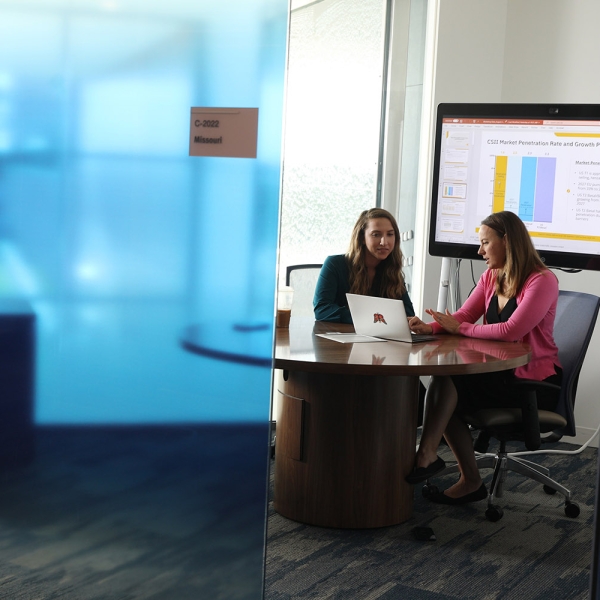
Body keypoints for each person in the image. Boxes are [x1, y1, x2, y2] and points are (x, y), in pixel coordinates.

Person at [405, 211, 562, 505]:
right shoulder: (491, 276)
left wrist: (459, 328)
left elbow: (511, 330)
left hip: (532, 383)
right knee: (445, 384)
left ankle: (441, 464)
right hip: (499, 375)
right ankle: (447, 467)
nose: (480, 251)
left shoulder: (542, 280)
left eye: (485, 243)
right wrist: (431, 328)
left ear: (507, 241)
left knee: (448, 388)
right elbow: (464, 315)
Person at [313, 208, 415, 322]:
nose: (384, 242)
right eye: (376, 234)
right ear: (362, 238)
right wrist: (371, 318)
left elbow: (408, 315)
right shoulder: (334, 264)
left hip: (380, 337)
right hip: (341, 336)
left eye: (390, 234)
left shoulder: (392, 270)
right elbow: (322, 309)